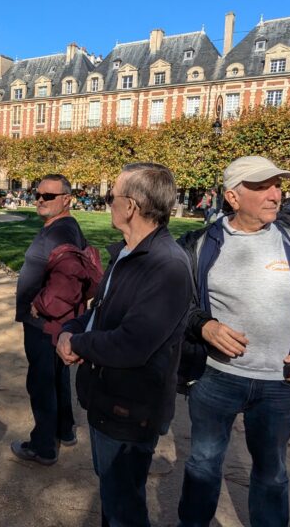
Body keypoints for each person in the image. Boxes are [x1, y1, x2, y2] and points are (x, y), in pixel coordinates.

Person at [176, 156, 290, 527]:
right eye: (262, 186)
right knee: (202, 465)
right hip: (215, 378)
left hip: (282, 382)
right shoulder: (197, 245)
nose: (275, 194)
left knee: (272, 473)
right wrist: (202, 325)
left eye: (278, 185)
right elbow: (171, 301)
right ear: (232, 196)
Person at [56, 163, 193, 526]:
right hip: (108, 397)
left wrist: (78, 344)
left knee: (124, 510)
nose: (107, 203)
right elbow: (98, 311)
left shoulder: (167, 265)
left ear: (130, 206)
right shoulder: (128, 252)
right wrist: (71, 330)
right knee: (113, 498)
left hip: (131, 409)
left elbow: (133, 344)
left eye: (111, 196)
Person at [11, 174, 96, 466]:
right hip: (56, 323)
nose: (40, 200)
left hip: (46, 323)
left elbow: (71, 276)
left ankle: (43, 446)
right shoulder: (64, 227)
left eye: (48, 196)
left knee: (41, 381)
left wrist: (41, 304)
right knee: (57, 375)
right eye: (38, 194)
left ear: (66, 199)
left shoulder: (61, 231)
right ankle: (64, 429)